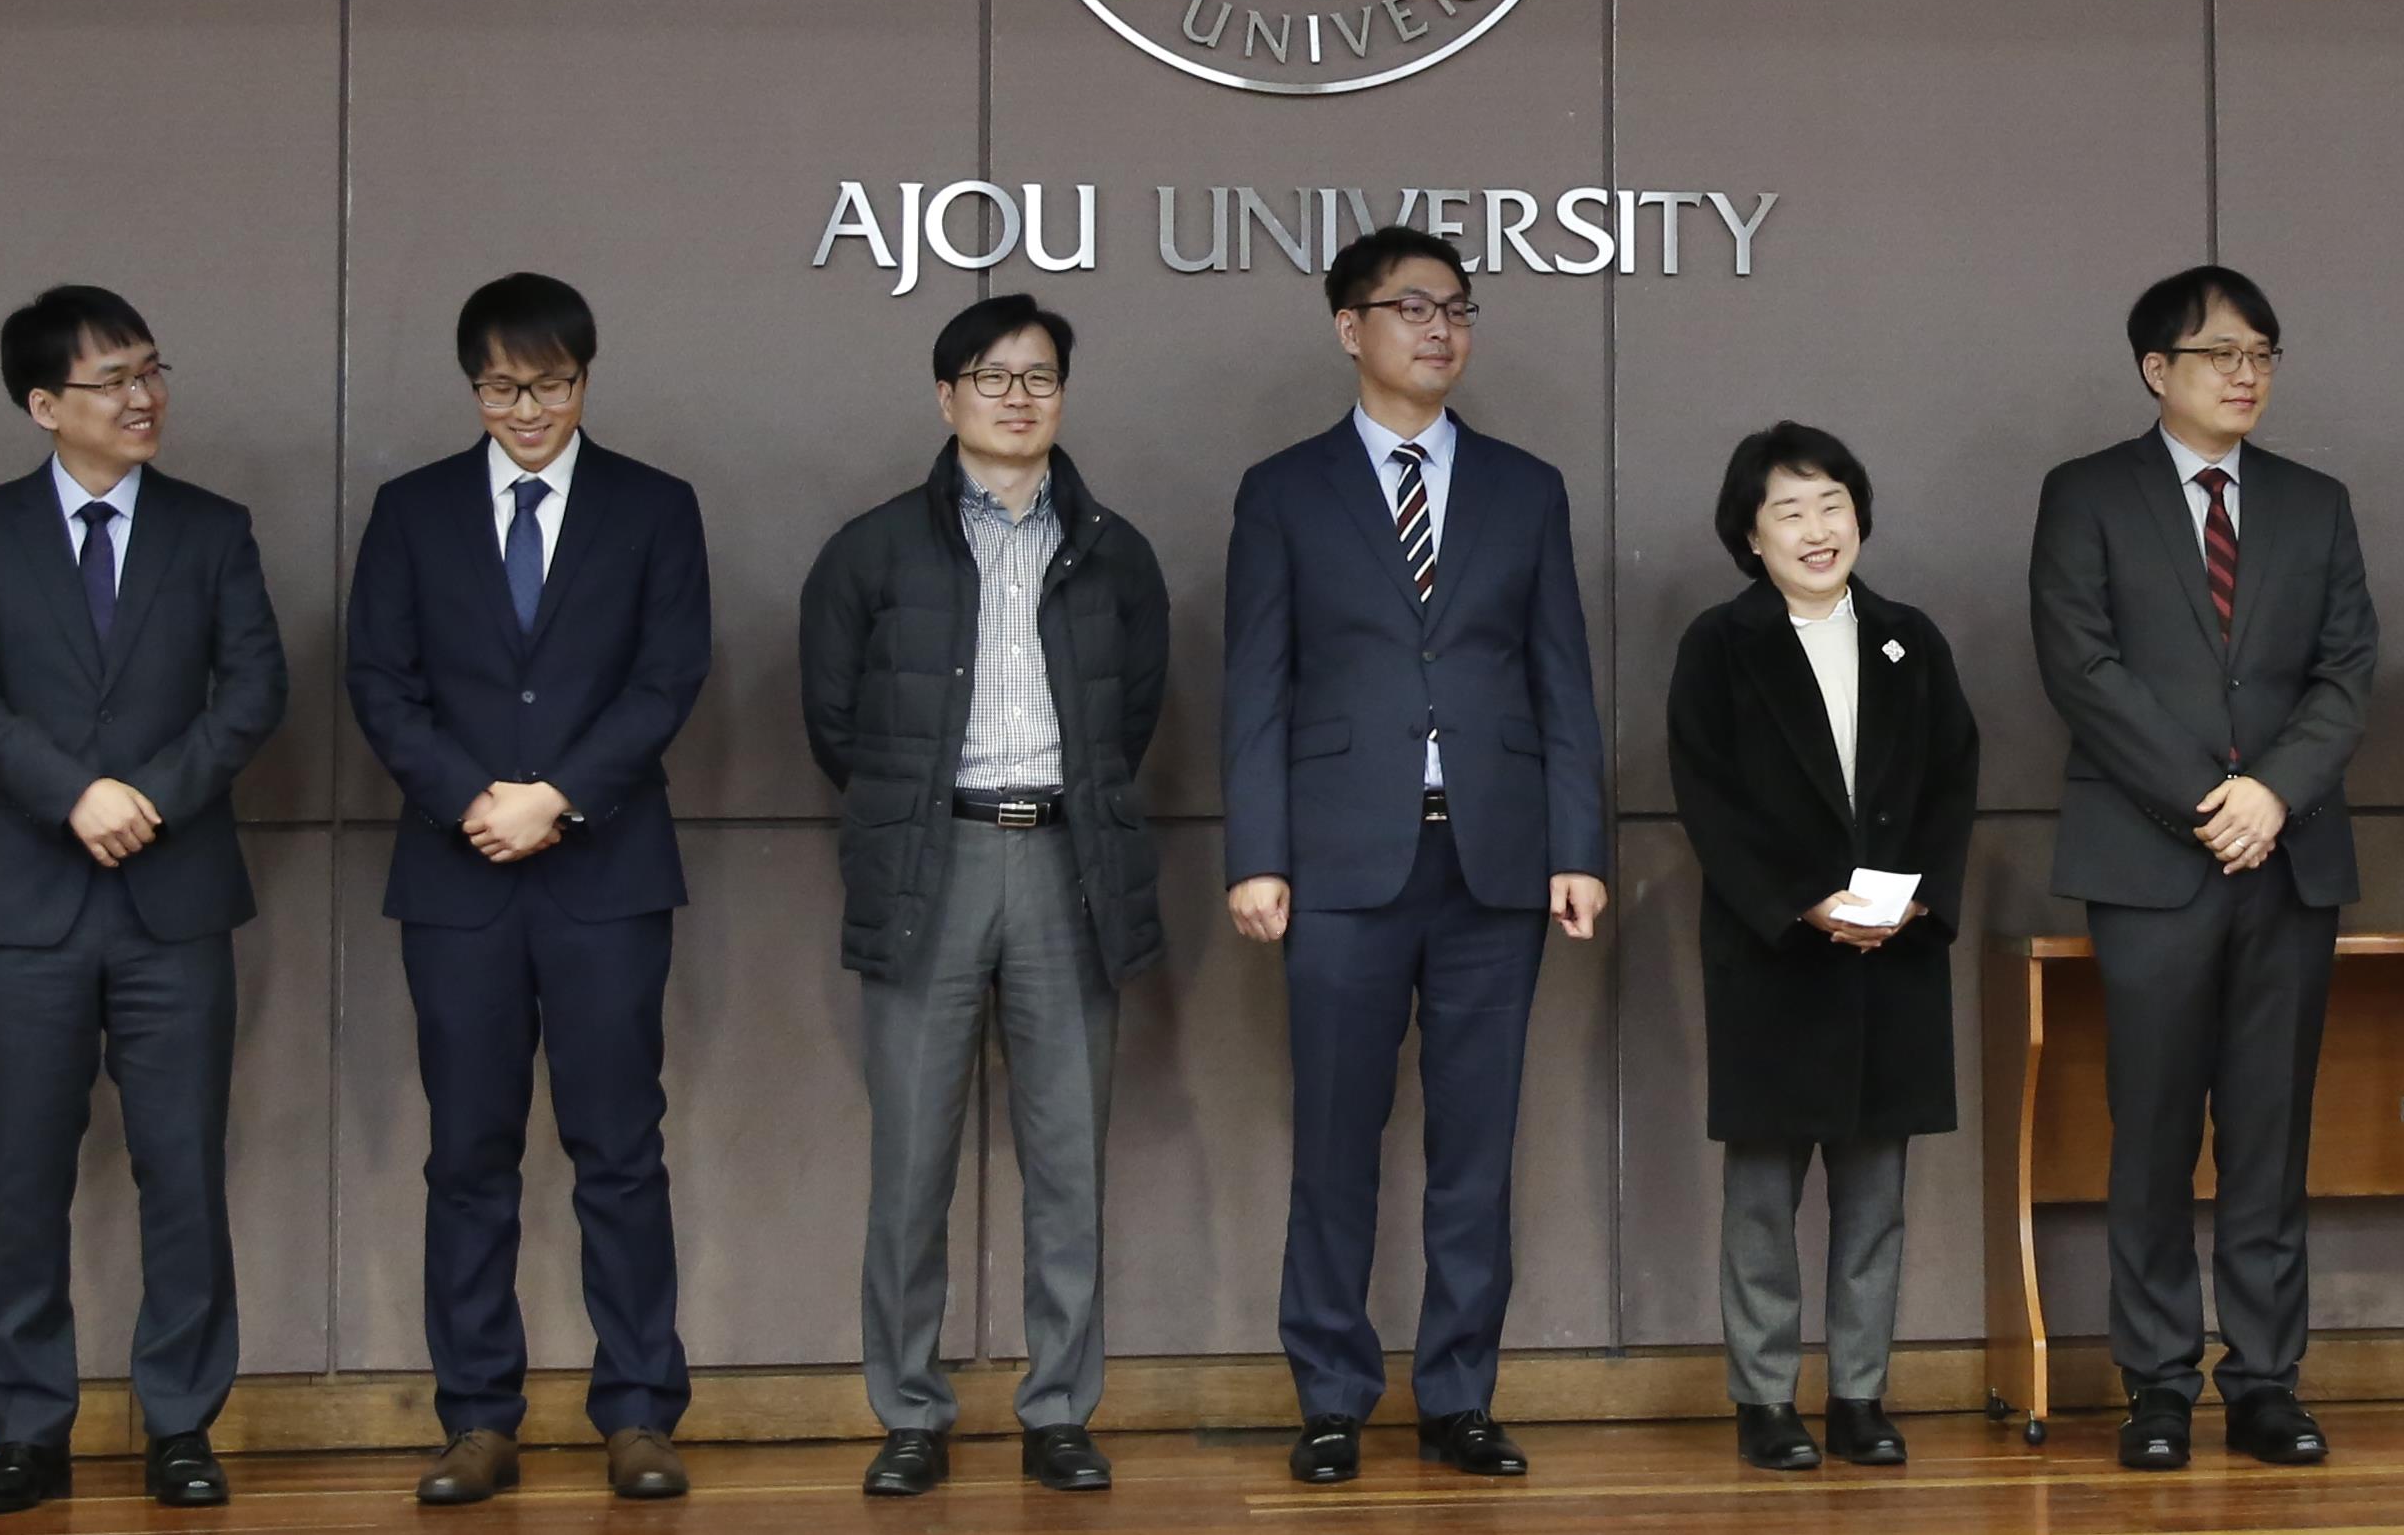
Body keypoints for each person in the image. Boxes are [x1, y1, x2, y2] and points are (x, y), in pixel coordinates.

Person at [1222, 225, 1608, 1485]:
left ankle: (1459, 1397)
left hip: (1494, 860)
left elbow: (1562, 680)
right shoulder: (1282, 489)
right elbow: (1256, 688)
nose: (1439, 328)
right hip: (1336, 862)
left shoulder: (1526, 485)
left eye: (1456, 307)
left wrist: (1579, 845)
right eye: (1409, 307)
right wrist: (1256, 854)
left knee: (1477, 1147)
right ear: (1349, 328)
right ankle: (1331, 1396)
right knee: (1334, 1139)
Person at [344, 273, 710, 1505]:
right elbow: (378, 679)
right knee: (468, 1156)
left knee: (620, 1149)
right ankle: (477, 1420)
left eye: (549, 384)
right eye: (504, 387)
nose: (528, 407)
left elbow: (667, 678)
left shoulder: (655, 506)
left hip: (605, 871)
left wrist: (557, 796)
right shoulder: (411, 510)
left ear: (585, 380)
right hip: (459, 881)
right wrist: (474, 800)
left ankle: (640, 1414)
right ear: (473, 388)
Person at [798, 294, 1170, 1497]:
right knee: (910, 1160)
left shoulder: (1114, 548)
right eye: (991, 375)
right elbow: (836, 722)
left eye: (1041, 377)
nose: (1018, 397)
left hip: (1067, 862)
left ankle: (1058, 1407)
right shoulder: (871, 549)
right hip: (933, 861)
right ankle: (910, 1408)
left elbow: (1136, 712)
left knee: (1069, 1159)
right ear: (946, 395)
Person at [0, 286, 287, 1514]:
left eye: (151, 370)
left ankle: (180, 1423)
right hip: (28, 907)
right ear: (44, 406)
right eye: (111, 380)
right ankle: (26, 1431)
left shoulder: (212, 528)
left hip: (174, 905)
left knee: (182, 1170)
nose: (143, 398)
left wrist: (149, 798)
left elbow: (251, 693)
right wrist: (75, 795)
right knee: (24, 1177)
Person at [2028, 265, 2377, 1470]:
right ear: (2154, 369)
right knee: (2154, 1132)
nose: (2246, 374)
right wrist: (2204, 801)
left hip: (2288, 861)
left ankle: (2267, 1381)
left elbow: (2345, 676)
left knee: (2272, 1136)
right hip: (2150, 862)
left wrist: (2272, 792)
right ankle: (2158, 1385)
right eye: (2221, 353)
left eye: (2263, 354)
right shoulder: (2085, 496)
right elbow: (2081, 668)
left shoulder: (2315, 502)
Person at [1666, 423, 1978, 1471]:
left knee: (1876, 1196)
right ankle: (1763, 1400)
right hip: (1773, 956)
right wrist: (1801, 902)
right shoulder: (1721, 643)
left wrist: (1914, 901)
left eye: (1832, 503)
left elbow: (1950, 782)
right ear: (1749, 535)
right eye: (1789, 510)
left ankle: (1858, 1396)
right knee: (1762, 1194)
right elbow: (1705, 797)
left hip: (1890, 953)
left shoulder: (1908, 637)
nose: (1816, 528)